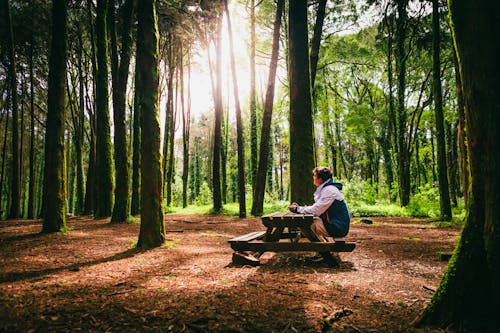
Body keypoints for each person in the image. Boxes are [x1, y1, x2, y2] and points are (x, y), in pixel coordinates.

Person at [288, 166, 350, 262]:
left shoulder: (329, 191)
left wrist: (298, 209)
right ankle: (322, 250)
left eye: (314, 176)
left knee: (304, 223)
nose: (313, 178)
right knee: (307, 222)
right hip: (333, 223)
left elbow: (316, 210)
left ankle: (324, 252)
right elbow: (318, 208)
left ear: (320, 179)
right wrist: (300, 208)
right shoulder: (327, 189)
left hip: (336, 227)